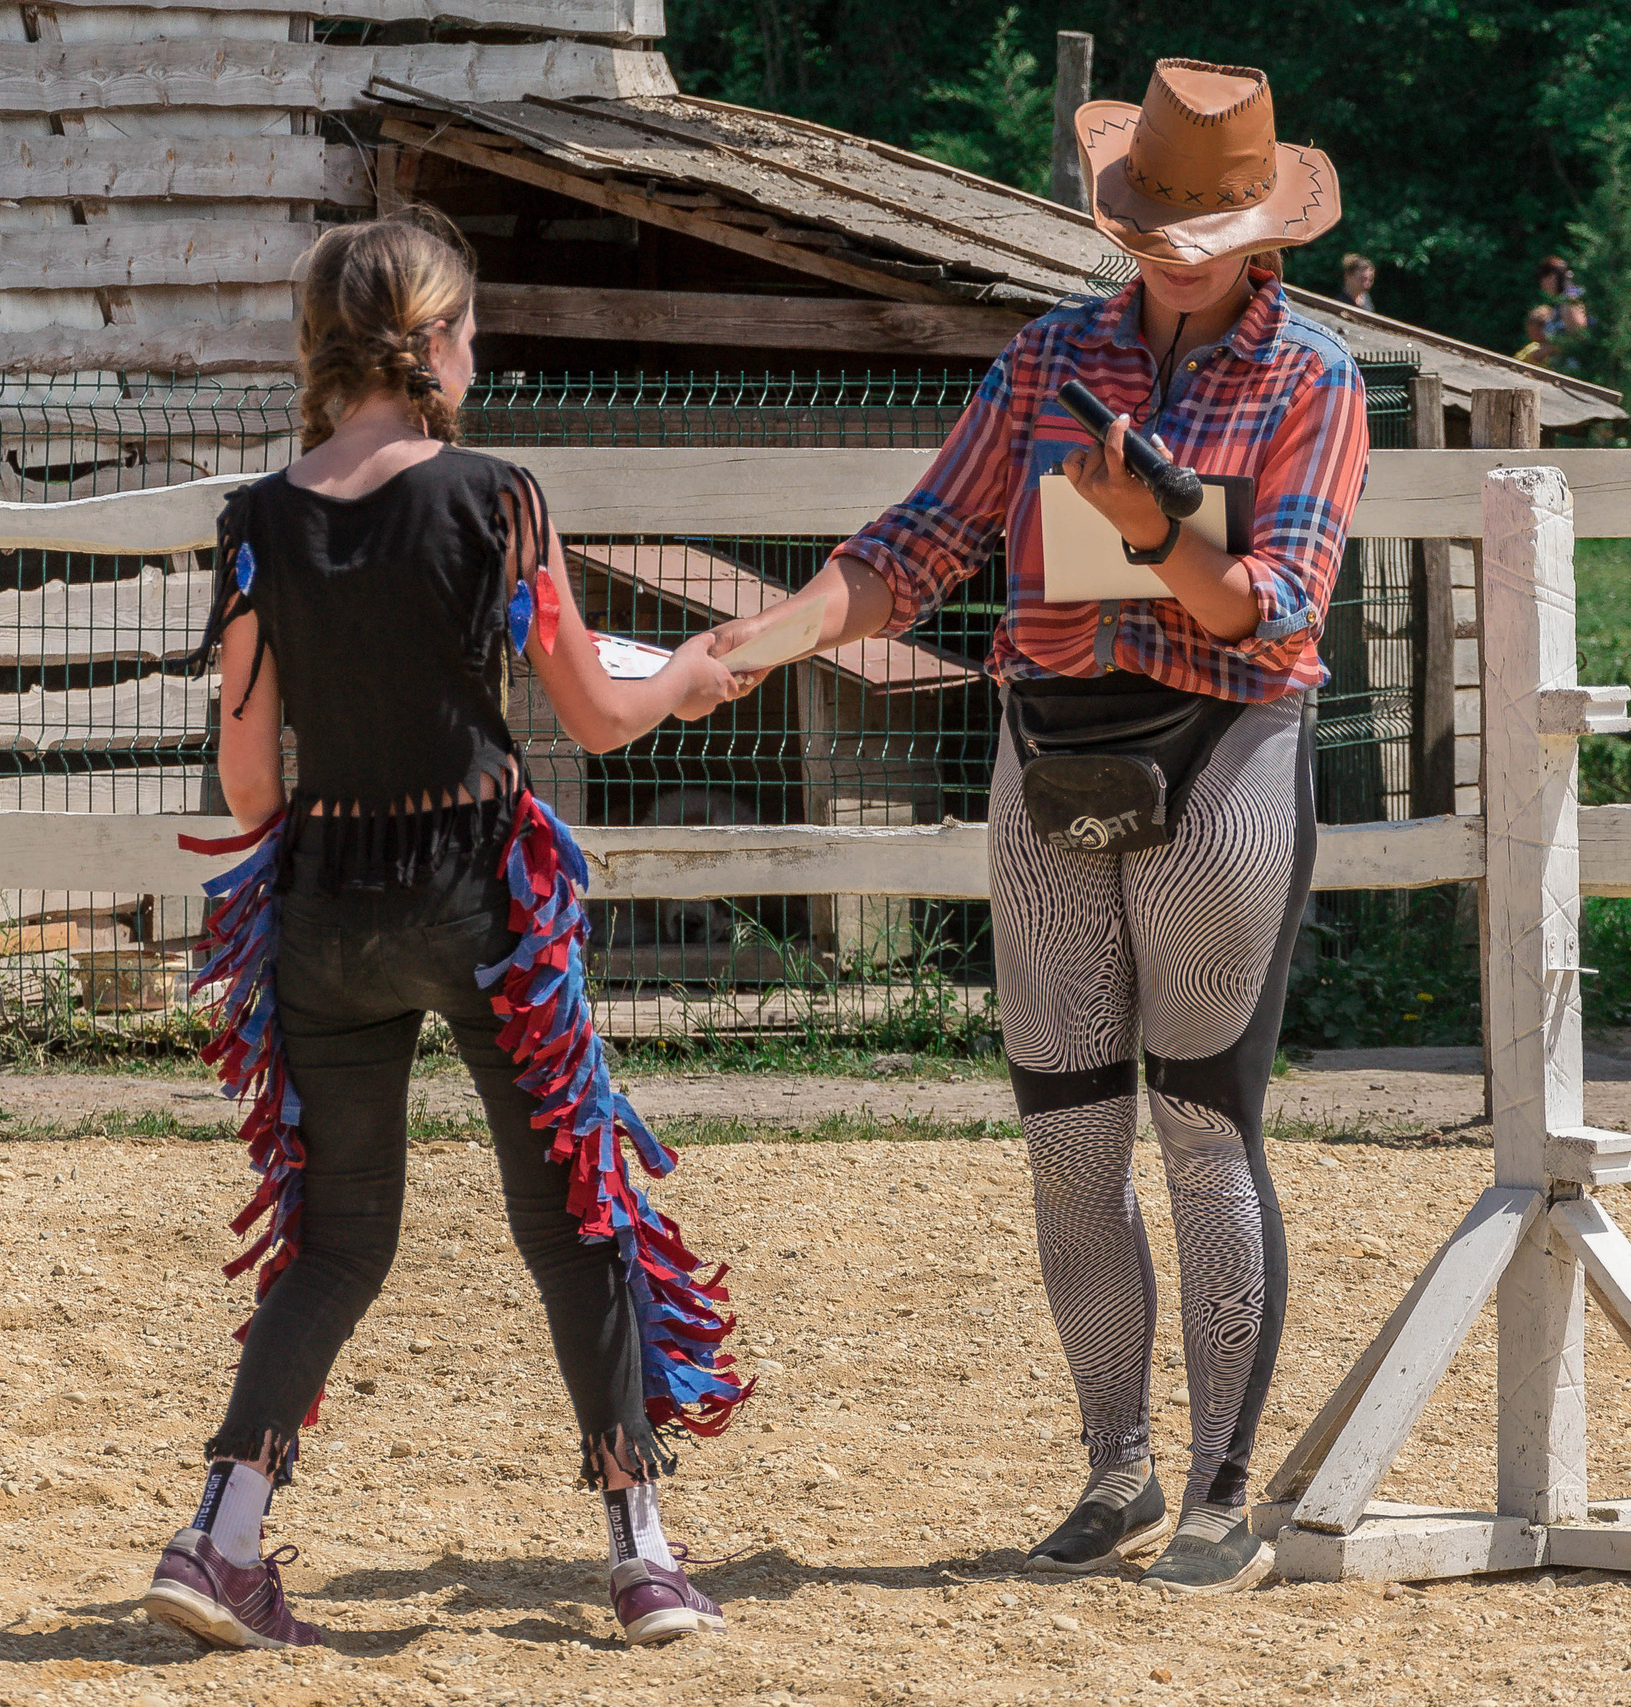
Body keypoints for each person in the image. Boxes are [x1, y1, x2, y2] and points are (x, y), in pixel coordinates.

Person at [706, 60, 1364, 1594]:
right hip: (1046, 748)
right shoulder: (1043, 357)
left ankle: (1218, 1484)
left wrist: (1163, 529)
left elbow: (1278, 608)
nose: (1175, 247)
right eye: (1157, 218)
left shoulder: (1311, 378)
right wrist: (754, 644)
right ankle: (1115, 1463)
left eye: (1206, 220)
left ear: (1264, 224)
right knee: (1069, 1141)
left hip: (1224, 752)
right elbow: (920, 542)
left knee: (1204, 1129)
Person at [144, 212, 753, 1652]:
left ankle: (221, 1531)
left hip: (326, 910)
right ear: (426, 346)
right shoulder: (501, 498)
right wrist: (685, 676)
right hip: (485, 904)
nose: (477, 354)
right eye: (467, 329)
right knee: (574, 1218)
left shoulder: (258, 522)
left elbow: (244, 783)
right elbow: (597, 711)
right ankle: (642, 1551)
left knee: (338, 1243)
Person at [1518, 255, 1588, 368]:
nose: (1543, 287)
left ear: (1552, 276)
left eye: (1543, 280)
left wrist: (1547, 350)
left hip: (1574, 370)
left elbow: (1577, 331)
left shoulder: (1571, 298)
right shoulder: (1562, 303)